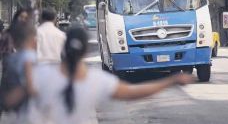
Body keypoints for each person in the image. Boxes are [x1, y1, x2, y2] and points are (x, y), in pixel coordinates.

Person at [30, 27, 194, 124]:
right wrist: (171, 80)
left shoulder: (41, 76)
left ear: (64, 48)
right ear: (86, 51)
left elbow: (12, 101)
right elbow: (134, 93)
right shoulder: (96, 80)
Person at [0, 21, 37, 120]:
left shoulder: (10, 60)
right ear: (33, 40)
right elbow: (31, 86)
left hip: (13, 113)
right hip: (29, 112)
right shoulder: (30, 58)